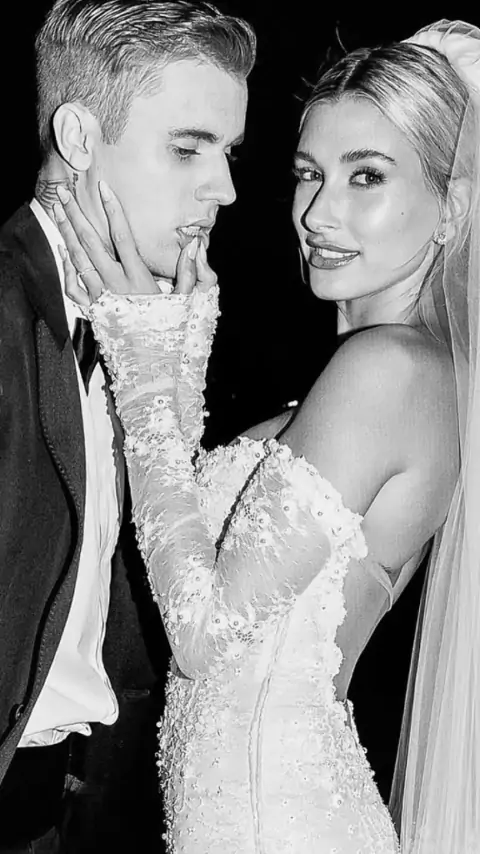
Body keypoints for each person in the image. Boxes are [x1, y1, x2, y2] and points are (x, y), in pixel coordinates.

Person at [53, 17, 477, 854]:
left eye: (367, 176)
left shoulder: (390, 370)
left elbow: (203, 639)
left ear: (451, 209)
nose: (319, 211)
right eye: (308, 173)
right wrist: (176, 358)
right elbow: (198, 544)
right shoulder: (388, 379)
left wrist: (148, 373)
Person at [0, 1, 255, 851]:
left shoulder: (135, 317)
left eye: (227, 153)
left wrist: (168, 373)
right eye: (187, 148)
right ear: (79, 137)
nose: (224, 189)